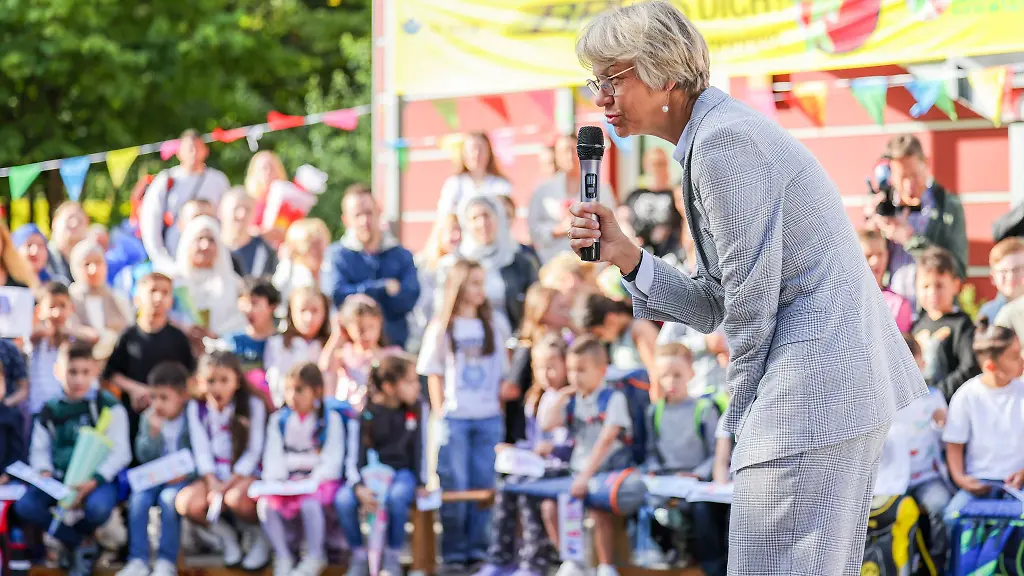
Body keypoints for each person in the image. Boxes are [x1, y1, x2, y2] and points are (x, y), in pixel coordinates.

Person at [566, 3, 925, 573]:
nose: (601, 98)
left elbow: (749, 310)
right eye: (596, 83)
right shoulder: (711, 137)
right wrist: (625, 255)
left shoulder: (722, 143)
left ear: (665, 72)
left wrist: (739, 424)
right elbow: (717, 303)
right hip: (827, 386)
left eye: (613, 79)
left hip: (813, 391)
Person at [417, 259, 513, 572]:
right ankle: (454, 553)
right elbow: (433, 372)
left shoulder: (493, 325)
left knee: (484, 483)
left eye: (482, 283)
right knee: (454, 483)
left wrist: (497, 408)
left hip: (487, 416)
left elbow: (502, 373)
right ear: (458, 286)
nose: (480, 290)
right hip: (455, 417)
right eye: (474, 283)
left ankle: (479, 550)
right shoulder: (442, 327)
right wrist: (441, 411)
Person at [14, 341, 132, 576]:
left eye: (85, 372)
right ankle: (81, 543)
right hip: (59, 480)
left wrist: (94, 481)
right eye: (72, 372)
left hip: (96, 481)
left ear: (95, 371)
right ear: (58, 371)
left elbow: (121, 452)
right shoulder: (49, 409)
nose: (78, 379)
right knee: (26, 506)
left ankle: (75, 548)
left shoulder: (108, 406)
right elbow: (39, 450)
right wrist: (44, 471)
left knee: (98, 508)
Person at [475, 333, 570, 576]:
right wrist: (515, 449)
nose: (546, 374)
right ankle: (501, 557)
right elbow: (534, 441)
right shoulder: (536, 399)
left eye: (552, 366)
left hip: (562, 469)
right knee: (507, 487)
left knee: (529, 491)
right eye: (539, 367)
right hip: (538, 467)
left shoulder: (569, 399)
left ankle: (535, 561)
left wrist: (554, 448)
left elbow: (572, 441)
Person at [541, 336, 632, 576]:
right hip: (577, 470)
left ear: (601, 370)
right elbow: (547, 424)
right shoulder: (573, 401)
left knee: (597, 507)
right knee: (550, 507)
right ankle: (573, 561)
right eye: (571, 370)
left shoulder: (613, 398)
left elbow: (605, 441)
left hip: (605, 470)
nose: (574, 376)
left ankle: (605, 566)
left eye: (581, 370)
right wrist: (562, 396)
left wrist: (584, 477)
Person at [176, 351, 270, 571]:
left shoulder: (252, 405)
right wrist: (212, 482)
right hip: (214, 475)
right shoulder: (196, 408)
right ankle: (227, 538)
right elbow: (202, 450)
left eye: (224, 380)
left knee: (236, 498)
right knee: (187, 503)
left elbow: (253, 452)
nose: (217, 388)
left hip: (244, 473)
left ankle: (259, 538)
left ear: (237, 381)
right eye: (211, 381)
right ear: (201, 382)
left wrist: (226, 485)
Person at [336, 354, 427, 576]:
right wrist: (358, 486)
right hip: (368, 477)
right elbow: (354, 456)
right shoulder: (365, 413)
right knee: (344, 500)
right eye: (410, 382)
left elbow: (421, 449)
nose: (417, 387)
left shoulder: (416, 409)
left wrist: (422, 482)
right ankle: (360, 556)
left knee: (397, 497)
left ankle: (392, 556)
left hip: (402, 474)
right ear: (388, 387)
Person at [642, 343, 728, 576]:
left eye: (677, 375)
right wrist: (654, 470)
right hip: (667, 483)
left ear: (691, 373)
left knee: (703, 514)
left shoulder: (704, 409)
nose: (671, 382)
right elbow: (651, 452)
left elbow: (716, 454)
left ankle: (714, 569)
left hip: (698, 485)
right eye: (664, 376)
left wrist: (697, 474)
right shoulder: (654, 412)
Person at [261, 363, 346, 576]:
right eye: (288, 390)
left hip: (318, 482)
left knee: (310, 503)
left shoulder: (330, 419)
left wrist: (309, 477)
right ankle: (283, 556)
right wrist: (283, 477)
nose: (293, 396)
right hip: (288, 481)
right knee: (266, 505)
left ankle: (315, 556)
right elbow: (273, 457)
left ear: (316, 391)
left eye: (299, 390)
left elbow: (332, 459)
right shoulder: (279, 420)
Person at [864, 134, 969, 306]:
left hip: (930, 313)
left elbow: (958, 270)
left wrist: (911, 239)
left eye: (915, 175)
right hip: (890, 310)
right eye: (902, 178)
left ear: (926, 164)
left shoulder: (948, 207)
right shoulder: (882, 206)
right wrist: (870, 231)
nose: (909, 185)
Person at [942, 319, 1024, 527]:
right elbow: (954, 445)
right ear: (990, 366)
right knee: (951, 517)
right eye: (1015, 356)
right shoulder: (966, 395)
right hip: (980, 483)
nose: (1022, 359)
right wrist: (961, 479)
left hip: (1018, 485)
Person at [118, 362, 195, 576]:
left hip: (183, 478)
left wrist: (187, 474)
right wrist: (153, 433)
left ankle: (166, 561)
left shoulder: (191, 417)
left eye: (164, 397)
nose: (157, 404)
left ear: (182, 396)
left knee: (169, 501)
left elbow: (200, 454)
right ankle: (138, 559)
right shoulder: (148, 418)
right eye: (153, 397)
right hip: (154, 478)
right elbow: (143, 455)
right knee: (138, 500)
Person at [102, 272, 197, 446]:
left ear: (171, 300)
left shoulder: (178, 338)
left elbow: (190, 376)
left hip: (171, 420)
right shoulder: (128, 337)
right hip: (135, 416)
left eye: (165, 292)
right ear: (137, 299)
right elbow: (112, 373)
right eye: (153, 291)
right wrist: (136, 389)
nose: (158, 298)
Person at [323, 184, 420, 349]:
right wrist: (382, 288)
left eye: (369, 213)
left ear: (379, 211)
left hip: (393, 348)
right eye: (357, 215)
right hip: (351, 352)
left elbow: (408, 299)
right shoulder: (337, 255)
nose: (364, 221)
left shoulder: (401, 255)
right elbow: (337, 296)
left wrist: (357, 293)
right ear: (346, 220)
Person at [140, 130, 231, 273]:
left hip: (211, 257)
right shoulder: (166, 180)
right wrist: (162, 260)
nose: (194, 153)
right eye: (189, 148)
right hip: (173, 257)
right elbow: (150, 219)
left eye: (198, 148)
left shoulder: (218, 180)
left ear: (205, 151)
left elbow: (227, 218)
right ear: (179, 152)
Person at [911, 247, 980, 402]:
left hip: (949, 404)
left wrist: (938, 394)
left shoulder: (962, 324)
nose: (932, 292)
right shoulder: (917, 325)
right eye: (926, 286)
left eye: (939, 285)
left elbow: (969, 368)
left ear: (955, 285)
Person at [320, 294, 400, 409]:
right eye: (360, 329)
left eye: (371, 327)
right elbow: (325, 367)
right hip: (349, 412)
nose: (367, 335)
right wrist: (337, 335)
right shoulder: (345, 354)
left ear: (380, 323)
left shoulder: (390, 356)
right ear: (347, 329)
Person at [264, 287, 332, 408]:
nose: (308, 317)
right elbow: (273, 380)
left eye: (315, 310)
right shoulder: (277, 344)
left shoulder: (330, 345)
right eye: (302, 310)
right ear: (291, 312)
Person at [437, 132, 513, 217]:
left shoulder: (501, 184)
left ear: (489, 152)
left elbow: (506, 215)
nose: (476, 154)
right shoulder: (454, 183)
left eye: (481, 149)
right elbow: (445, 214)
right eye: (472, 149)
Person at [859, 229, 914, 333]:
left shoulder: (898, 304)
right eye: (868, 255)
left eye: (880, 254)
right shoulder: (842, 298)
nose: (876, 261)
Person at [220, 187, 278, 278]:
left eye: (248, 209)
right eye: (236, 208)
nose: (242, 215)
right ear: (221, 211)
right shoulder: (210, 247)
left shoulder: (265, 251)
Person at [980, 236, 1024, 322]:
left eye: (1016, 269)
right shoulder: (988, 313)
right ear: (992, 277)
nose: (1010, 276)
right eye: (1003, 271)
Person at [46, 202, 90, 284]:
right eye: (69, 219)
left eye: (79, 221)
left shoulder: (91, 262)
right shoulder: (43, 257)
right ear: (55, 222)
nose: (74, 224)